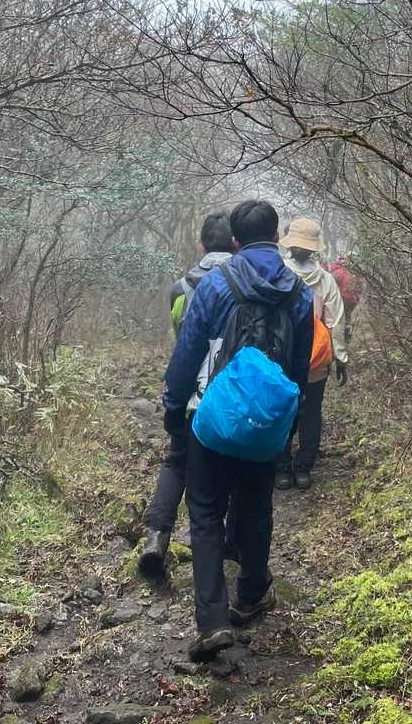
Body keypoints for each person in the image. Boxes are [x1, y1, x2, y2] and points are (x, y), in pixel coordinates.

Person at [163, 199, 313, 661]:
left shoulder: (216, 284)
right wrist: (288, 422)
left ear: (234, 240)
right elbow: (299, 367)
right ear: (277, 236)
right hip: (267, 420)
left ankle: (212, 622)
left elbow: (188, 351)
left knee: (206, 512)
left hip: (213, 415)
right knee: (257, 506)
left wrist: (174, 407)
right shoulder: (298, 292)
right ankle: (250, 595)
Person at [138, 212, 235, 577]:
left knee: (177, 460)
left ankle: (156, 536)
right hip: (231, 389)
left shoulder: (181, 287)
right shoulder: (243, 283)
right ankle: (225, 545)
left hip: (191, 385)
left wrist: (174, 399)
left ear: (201, 243)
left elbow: (182, 338)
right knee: (230, 465)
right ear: (236, 243)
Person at [276, 218, 348, 491]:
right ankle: (304, 467)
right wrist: (341, 358)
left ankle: (282, 468)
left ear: (289, 244)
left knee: (281, 410)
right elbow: (336, 322)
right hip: (315, 358)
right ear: (314, 248)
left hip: (280, 357)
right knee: (311, 412)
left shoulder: (277, 274)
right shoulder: (325, 280)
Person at [327, 253, 363, 345]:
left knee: (344, 319)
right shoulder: (341, 270)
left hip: (347, 301)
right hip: (342, 300)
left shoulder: (353, 271)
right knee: (341, 320)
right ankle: (341, 340)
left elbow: (359, 287)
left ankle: (343, 339)